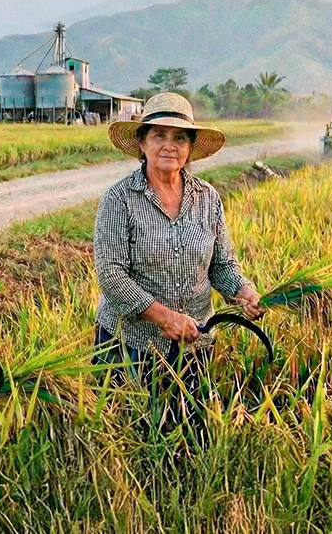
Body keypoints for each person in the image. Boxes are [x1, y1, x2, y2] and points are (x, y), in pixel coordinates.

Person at [93, 92, 265, 425]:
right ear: (142, 142)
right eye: (159, 135)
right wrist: (164, 317)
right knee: (133, 434)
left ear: (189, 148)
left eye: (180, 138)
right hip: (131, 345)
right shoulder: (119, 198)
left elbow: (223, 265)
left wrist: (245, 292)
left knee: (189, 430)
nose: (169, 145)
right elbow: (112, 276)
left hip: (194, 343)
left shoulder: (207, 197)